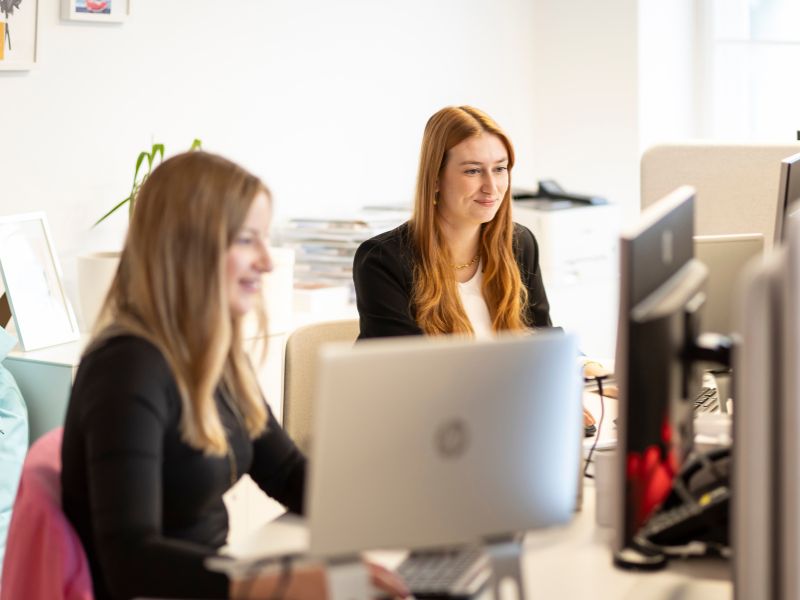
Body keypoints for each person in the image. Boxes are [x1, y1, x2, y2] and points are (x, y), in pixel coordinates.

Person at [61, 151, 407, 600]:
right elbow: (131, 561)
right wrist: (282, 584)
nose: (267, 261)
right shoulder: (126, 369)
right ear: (188, 248)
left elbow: (286, 472)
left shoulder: (214, 354)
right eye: (247, 240)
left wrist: (403, 512)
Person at [353, 106, 603, 423]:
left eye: (500, 169)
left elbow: (542, 339)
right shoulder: (383, 261)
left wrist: (587, 372)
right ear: (436, 179)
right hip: (419, 437)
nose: (492, 186)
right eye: (473, 171)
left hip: (499, 428)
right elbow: (413, 384)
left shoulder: (518, 244)